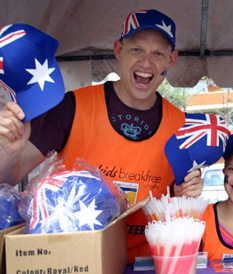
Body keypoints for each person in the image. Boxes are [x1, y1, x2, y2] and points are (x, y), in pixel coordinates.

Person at [0, 9, 204, 263]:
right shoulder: (71, 107)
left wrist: (189, 193)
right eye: (136, 50)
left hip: (147, 263)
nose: (146, 62)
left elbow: (181, 209)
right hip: (77, 259)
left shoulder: (182, 126)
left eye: (158, 53)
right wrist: (10, 153)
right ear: (118, 50)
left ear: (171, 60)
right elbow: (7, 178)